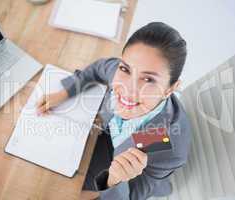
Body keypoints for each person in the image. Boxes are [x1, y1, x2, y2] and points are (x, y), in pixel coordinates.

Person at [36, 22, 191, 200]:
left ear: (170, 89)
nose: (128, 88)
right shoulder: (121, 71)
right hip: (102, 136)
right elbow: (99, 68)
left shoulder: (161, 140)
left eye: (148, 79)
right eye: (125, 69)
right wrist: (64, 92)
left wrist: (114, 180)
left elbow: (133, 195)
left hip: (116, 176)